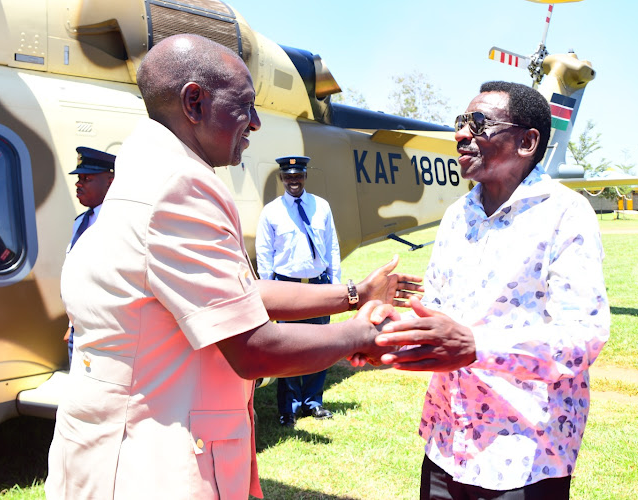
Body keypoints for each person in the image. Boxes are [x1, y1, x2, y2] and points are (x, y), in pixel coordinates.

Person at [45, 34, 420, 500]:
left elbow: (236, 294)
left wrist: (353, 295)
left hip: (109, 450)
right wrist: (365, 335)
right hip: (155, 466)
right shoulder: (180, 186)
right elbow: (254, 348)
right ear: (195, 102)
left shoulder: (141, 172)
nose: (256, 123)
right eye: (245, 106)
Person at [360, 81, 610, 498]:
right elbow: (437, 315)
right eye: (461, 123)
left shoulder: (567, 214)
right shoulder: (458, 215)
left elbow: (582, 337)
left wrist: (478, 345)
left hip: (525, 456)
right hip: (446, 443)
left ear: (527, 141)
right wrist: (388, 331)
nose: (461, 134)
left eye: (478, 123)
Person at [255, 155, 341, 426]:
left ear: (305, 176)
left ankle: (313, 402)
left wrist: (335, 285)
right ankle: (288, 408)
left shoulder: (321, 206)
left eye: (298, 175)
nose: (294, 181)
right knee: (288, 350)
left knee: (319, 346)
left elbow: (331, 246)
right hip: (286, 288)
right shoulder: (272, 211)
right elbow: (264, 253)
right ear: (282, 178)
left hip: (317, 285)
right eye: (289, 176)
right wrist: (267, 292)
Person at [63, 147, 116, 363]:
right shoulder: (80, 222)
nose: (78, 183)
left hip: (104, 327)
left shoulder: (117, 221)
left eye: (86, 178)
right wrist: (71, 324)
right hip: (80, 326)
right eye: (79, 178)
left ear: (110, 182)